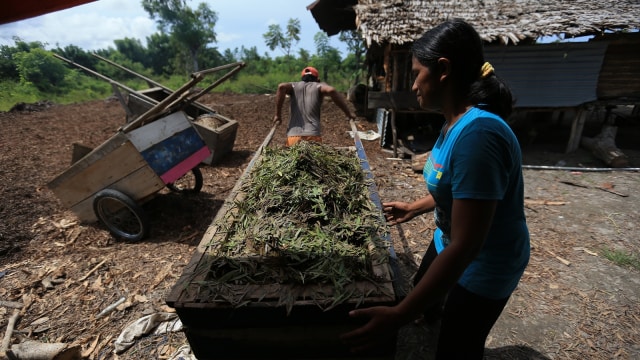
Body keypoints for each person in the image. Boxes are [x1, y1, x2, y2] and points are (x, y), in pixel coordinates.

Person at [340, 19, 530, 359]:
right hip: (450, 238)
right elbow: (458, 190)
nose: (413, 84)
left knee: (457, 346)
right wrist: (415, 207)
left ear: (442, 69)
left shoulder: (479, 135)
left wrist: (399, 315)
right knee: (426, 295)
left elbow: (467, 246)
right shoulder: (452, 123)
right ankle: (430, 314)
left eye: (416, 73)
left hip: (485, 262)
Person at [273, 66, 356, 146]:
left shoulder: (294, 85)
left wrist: (278, 115)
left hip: (293, 137)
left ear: (302, 78)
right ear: (317, 79)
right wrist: (348, 114)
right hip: (312, 137)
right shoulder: (318, 85)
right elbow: (331, 90)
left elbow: (281, 87)